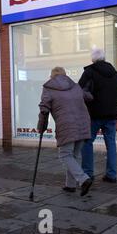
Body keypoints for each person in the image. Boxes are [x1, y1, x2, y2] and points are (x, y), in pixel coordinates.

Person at [37, 67, 93, 196]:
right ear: (65, 75)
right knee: (73, 156)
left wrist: (41, 127)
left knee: (65, 155)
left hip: (66, 126)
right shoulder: (76, 87)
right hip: (83, 123)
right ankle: (70, 185)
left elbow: (44, 109)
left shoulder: (49, 88)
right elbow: (89, 96)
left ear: (52, 77)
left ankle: (83, 179)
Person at [79, 48, 117, 183]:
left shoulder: (89, 72)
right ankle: (111, 175)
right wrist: (113, 103)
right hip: (111, 114)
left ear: (93, 59)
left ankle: (88, 173)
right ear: (104, 58)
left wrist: (91, 101)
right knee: (111, 144)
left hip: (93, 114)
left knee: (87, 142)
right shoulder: (115, 74)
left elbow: (80, 91)